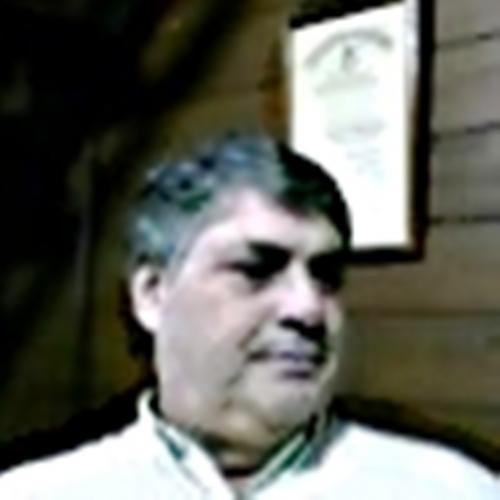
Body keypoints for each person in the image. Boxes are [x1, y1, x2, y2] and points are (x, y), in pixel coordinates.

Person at [0, 132, 497, 499]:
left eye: (326, 276)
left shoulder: (454, 491)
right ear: (152, 294)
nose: (308, 308)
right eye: (256, 269)